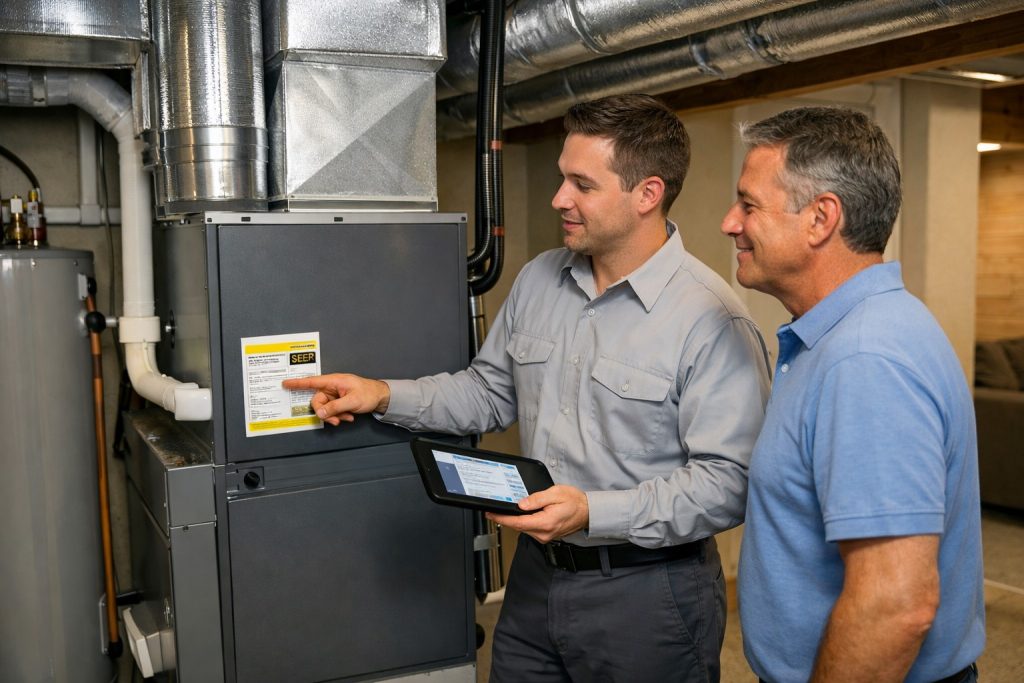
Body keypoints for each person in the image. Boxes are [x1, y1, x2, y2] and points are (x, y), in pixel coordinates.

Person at [285, 93, 771, 682]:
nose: (558, 199)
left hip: (649, 594)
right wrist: (381, 394)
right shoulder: (542, 278)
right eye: (561, 178)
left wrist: (594, 512)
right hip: (537, 578)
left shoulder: (711, 319)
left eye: (581, 185)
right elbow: (488, 393)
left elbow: (727, 486)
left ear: (647, 194)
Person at [724, 106, 985, 683]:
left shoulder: (865, 360)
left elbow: (896, 604)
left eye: (749, 205)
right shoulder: (848, 334)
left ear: (820, 219)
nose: (729, 223)